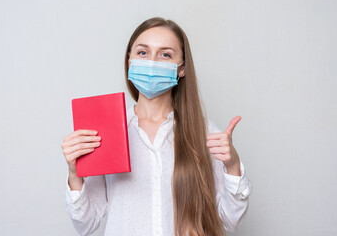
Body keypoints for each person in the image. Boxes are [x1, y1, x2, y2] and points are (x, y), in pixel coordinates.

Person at [62, 17, 251, 236]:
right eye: (143, 52)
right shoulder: (106, 132)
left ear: (182, 69)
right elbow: (86, 224)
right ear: (129, 61)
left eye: (165, 54)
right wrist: (75, 172)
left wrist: (233, 166)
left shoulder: (205, 132)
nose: (152, 62)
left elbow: (230, 220)